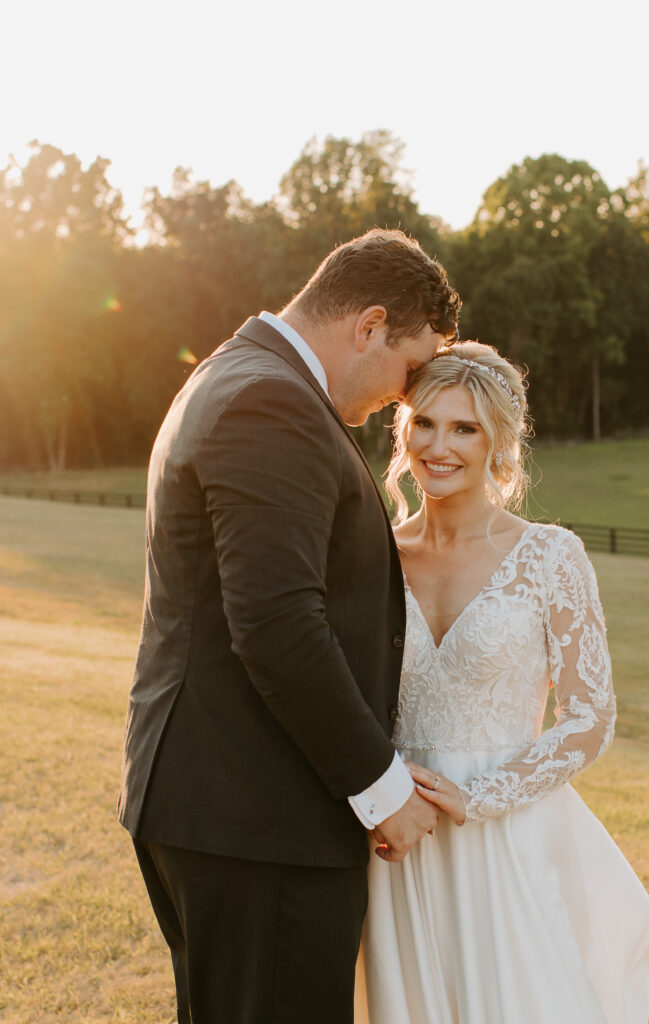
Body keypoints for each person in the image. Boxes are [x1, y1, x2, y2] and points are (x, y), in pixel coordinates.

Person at [117, 229, 461, 1023]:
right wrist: (381, 789)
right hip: (256, 815)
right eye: (409, 369)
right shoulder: (269, 401)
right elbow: (276, 622)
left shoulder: (235, 374)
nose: (402, 397)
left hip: (228, 807)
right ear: (368, 325)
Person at [357, 342, 649, 1024]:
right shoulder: (372, 552)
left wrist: (483, 796)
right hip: (398, 835)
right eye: (425, 423)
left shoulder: (550, 557)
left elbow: (589, 718)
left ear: (498, 442)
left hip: (506, 834)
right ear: (403, 431)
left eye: (464, 427)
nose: (439, 445)